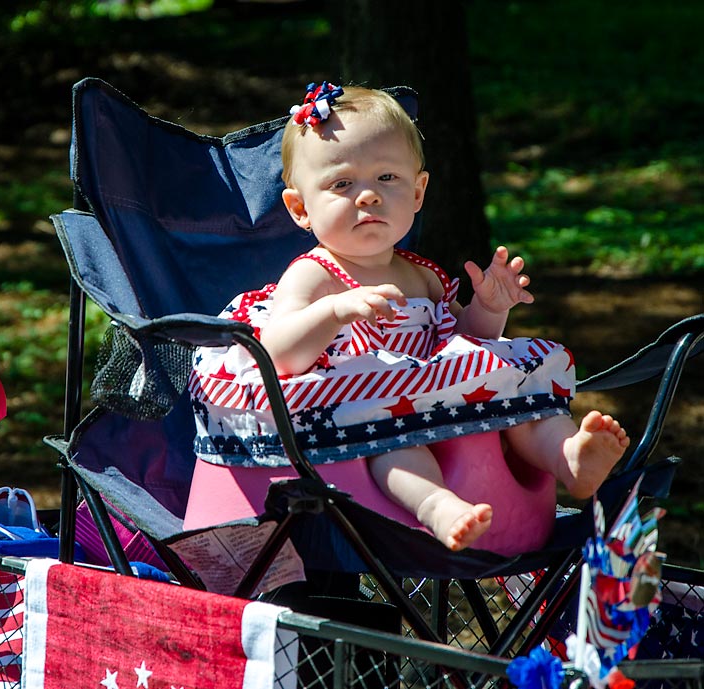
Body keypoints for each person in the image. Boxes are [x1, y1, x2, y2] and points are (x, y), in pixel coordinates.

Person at [189, 82, 629, 551]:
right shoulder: (314, 277)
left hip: (433, 406)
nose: (368, 197)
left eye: (387, 179)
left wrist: (488, 308)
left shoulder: (422, 276)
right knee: (395, 448)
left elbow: (462, 349)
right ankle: (438, 507)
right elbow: (278, 356)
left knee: (516, 391)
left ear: (418, 192)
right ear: (300, 208)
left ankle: (569, 458)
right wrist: (334, 312)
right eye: (342, 184)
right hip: (354, 421)